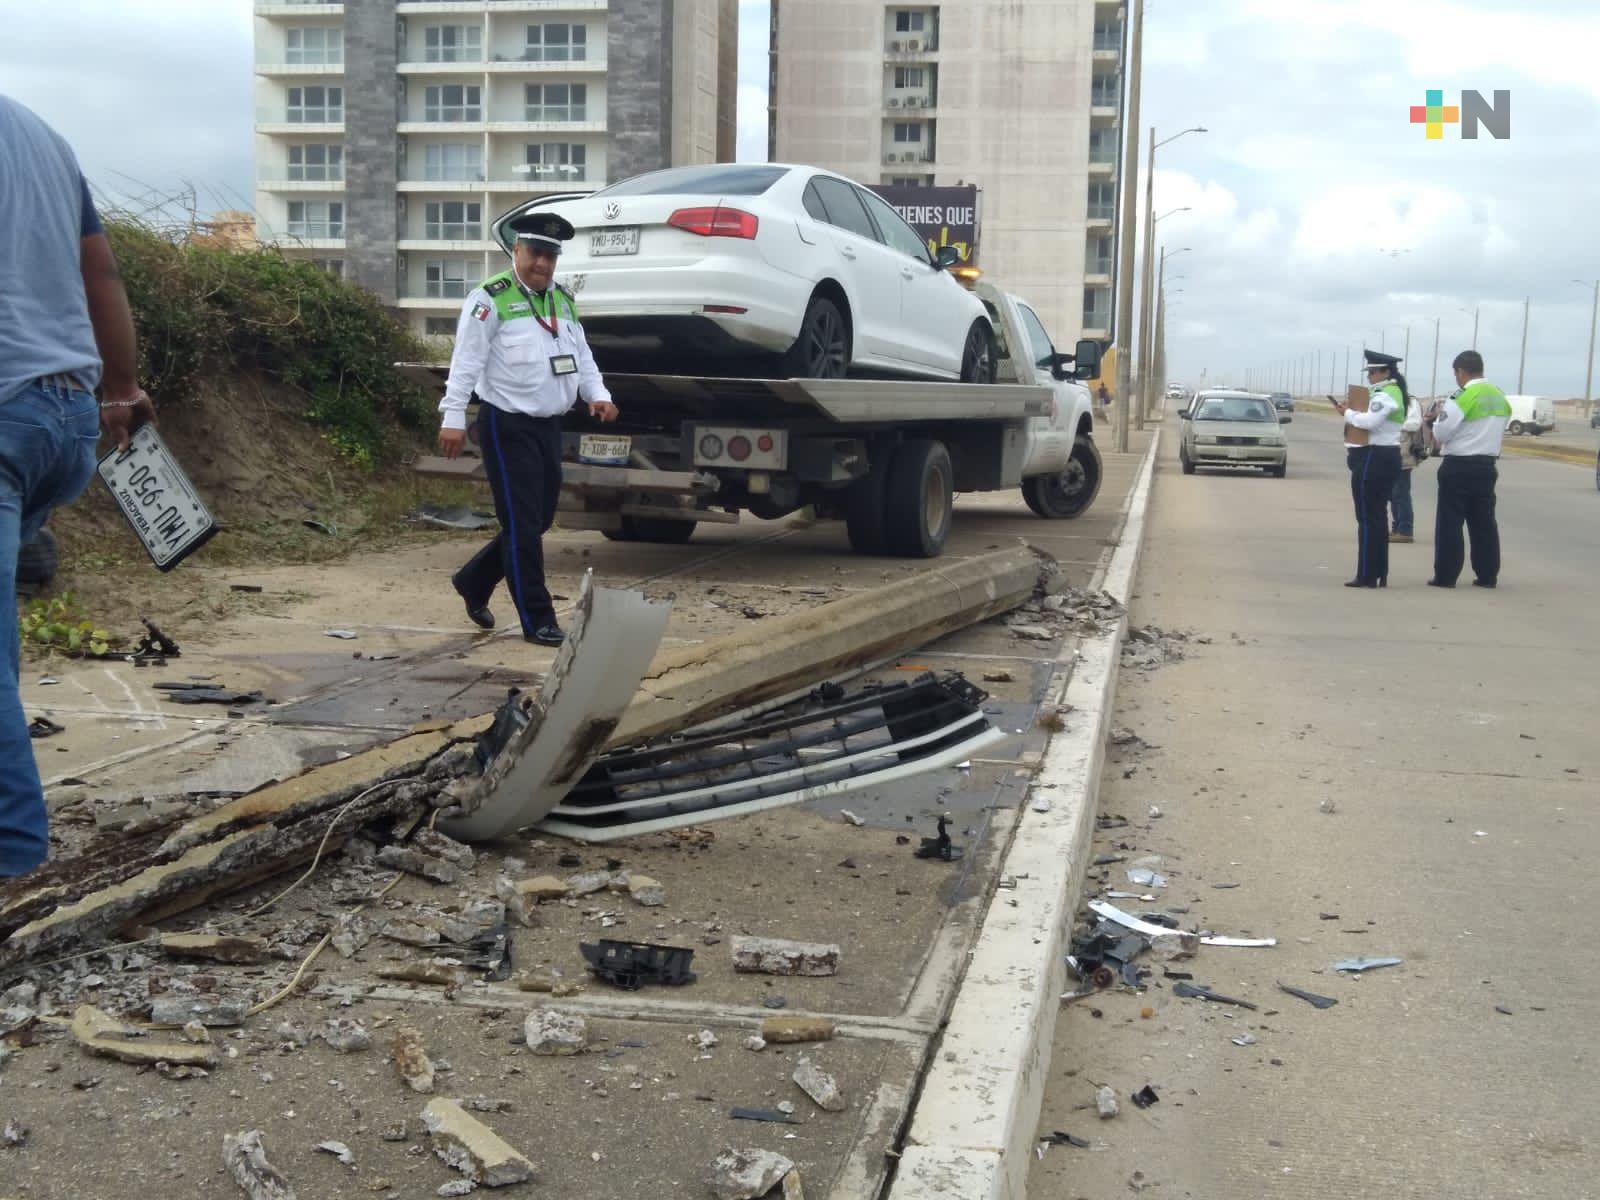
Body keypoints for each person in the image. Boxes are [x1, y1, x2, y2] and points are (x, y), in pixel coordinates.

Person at [1, 96, 155, 878]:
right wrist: (122, 391)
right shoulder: (43, 137)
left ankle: (13, 863)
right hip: (64, 417)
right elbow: (101, 269)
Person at [436, 211, 618, 646]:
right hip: (506, 423)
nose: (543, 264)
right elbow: (466, 363)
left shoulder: (563, 300)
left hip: (548, 425)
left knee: (536, 521)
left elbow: (582, 356)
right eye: (535, 253)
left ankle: (473, 581)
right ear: (516, 251)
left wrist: (599, 394)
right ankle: (538, 619)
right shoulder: (489, 299)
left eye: (551, 256)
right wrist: (453, 416)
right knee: (521, 524)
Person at [1426, 349, 1511, 588]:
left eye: (1456, 374)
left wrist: (1434, 425)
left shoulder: (1462, 396)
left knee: (1450, 522)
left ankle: (1446, 575)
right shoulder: (1499, 395)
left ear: (1461, 372)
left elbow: (1442, 432)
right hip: (1486, 465)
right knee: (1484, 523)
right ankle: (1487, 575)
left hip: (1458, 465)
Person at [1332, 349, 1407, 588]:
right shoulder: (1385, 391)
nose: (1370, 376)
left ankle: (1367, 574)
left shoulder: (1386, 394)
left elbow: (1369, 422)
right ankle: (1378, 572)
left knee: (1367, 518)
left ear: (1386, 371)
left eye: (1373, 372)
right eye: (1369, 372)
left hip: (1376, 456)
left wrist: (1348, 413)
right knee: (1375, 517)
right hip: (1379, 456)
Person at [1388, 382, 1428, 543]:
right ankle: (1397, 527)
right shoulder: (1393, 401)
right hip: (1392, 453)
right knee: (1393, 494)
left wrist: (1391, 424)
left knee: (1401, 493)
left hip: (1404, 453)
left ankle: (1405, 530)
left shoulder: (1410, 401)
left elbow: (1415, 423)